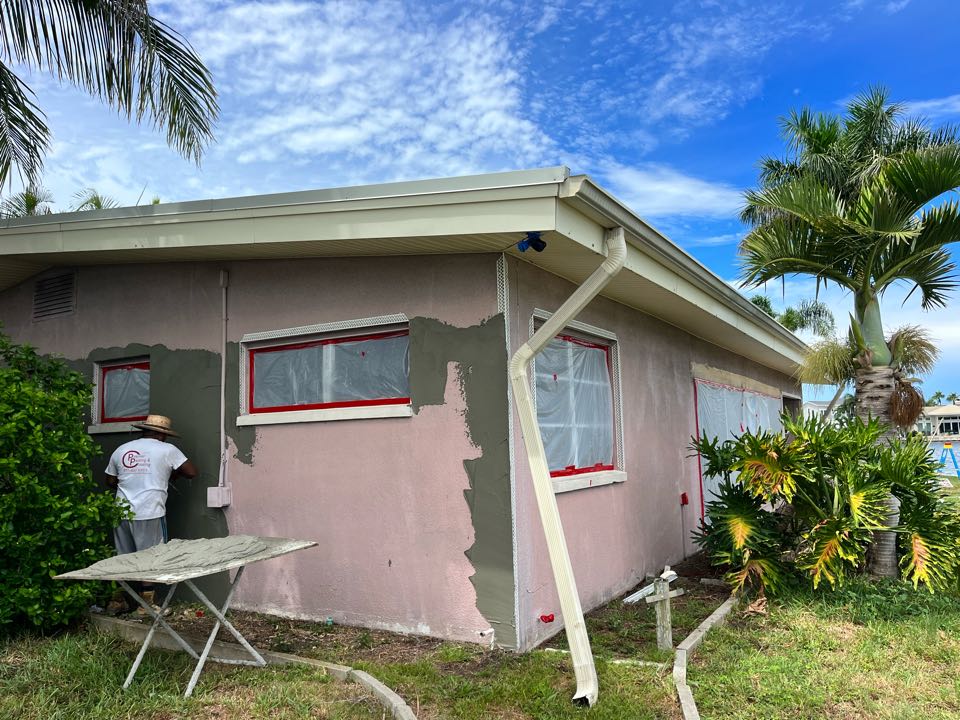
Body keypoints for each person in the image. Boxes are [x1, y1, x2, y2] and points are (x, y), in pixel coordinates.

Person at [105, 414, 197, 611]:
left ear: (144, 430)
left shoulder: (122, 449)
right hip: (149, 512)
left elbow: (110, 481)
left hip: (121, 511)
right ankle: (146, 605)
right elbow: (191, 472)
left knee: (123, 556)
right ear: (162, 435)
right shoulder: (167, 450)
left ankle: (117, 601)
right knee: (151, 556)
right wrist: (172, 475)